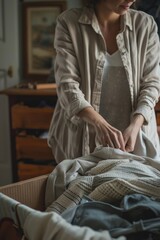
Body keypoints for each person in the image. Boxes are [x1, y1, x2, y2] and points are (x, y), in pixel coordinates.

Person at [48, 0, 160, 163]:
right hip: (81, 140)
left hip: (136, 141)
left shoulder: (145, 25)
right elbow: (67, 85)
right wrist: (100, 125)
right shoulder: (69, 23)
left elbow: (152, 84)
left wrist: (135, 125)